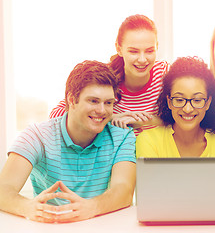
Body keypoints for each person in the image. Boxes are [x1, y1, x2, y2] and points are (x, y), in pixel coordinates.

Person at [0, 60, 136, 223]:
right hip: (50, 226)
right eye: (93, 101)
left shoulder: (123, 137)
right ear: (71, 100)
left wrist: (91, 207)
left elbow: (124, 191)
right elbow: (3, 190)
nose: (102, 110)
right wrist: (28, 207)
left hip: (100, 226)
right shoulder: (36, 135)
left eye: (108, 103)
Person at [49, 14, 169, 135]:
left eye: (149, 51)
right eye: (133, 51)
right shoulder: (103, 77)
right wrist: (109, 117)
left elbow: (184, 118)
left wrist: (145, 121)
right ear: (119, 49)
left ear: (157, 47)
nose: (142, 59)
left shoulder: (165, 73)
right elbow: (56, 115)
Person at [136, 56, 215, 158]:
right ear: (169, 102)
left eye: (197, 100)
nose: (187, 109)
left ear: (208, 103)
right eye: (179, 100)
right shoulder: (149, 140)